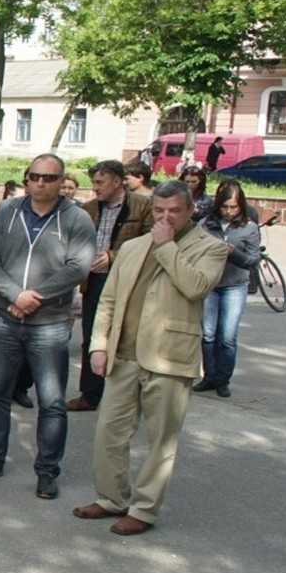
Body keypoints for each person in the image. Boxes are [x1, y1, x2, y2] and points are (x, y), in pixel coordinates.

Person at [75, 181, 229, 533]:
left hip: (169, 357)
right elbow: (108, 300)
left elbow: (195, 287)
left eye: (174, 211)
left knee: (161, 441)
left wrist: (166, 246)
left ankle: (143, 510)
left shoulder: (211, 248)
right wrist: (98, 345)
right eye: (159, 211)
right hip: (123, 355)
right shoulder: (131, 247)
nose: (165, 217)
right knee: (109, 432)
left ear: (190, 210)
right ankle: (112, 498)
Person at [0, 153, 95, 499]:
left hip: (49, 323)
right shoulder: (8, 212)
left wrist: (35, 296)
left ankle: (47, 471)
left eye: (49, 178)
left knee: (51, 401)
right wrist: (16, 295)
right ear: (26, 179)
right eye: (34, 176)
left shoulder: (76, 219)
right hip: (4, 317)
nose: (40, 182)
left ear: (61, 181)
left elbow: (78, 267)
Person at [67, 160, 152, 414]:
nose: (95, 188)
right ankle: (90, 395)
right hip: (93, 280)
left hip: (128, 281)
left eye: (100, 182)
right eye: (93, 182)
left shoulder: (143, 206)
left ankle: (126, 397)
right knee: (93, 338)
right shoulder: (88, 208)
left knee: (127, 339)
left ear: (117, 181)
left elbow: (150, 243)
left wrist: (114, 256)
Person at [197, 179, 263, 399]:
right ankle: (209, 376)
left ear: (240, 205)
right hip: (211, 284)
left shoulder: (249, 227)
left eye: (233, 207)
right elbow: (195, 249)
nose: (228, 211)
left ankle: (223, 380)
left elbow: (253, 261)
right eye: (225, 207)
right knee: (207, 334)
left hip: (234, 286)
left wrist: (233, 252)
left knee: (227, 336)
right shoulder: (207, 223)